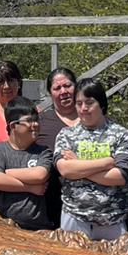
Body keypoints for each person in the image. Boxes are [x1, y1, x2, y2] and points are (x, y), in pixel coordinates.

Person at [53, 79, 128, 241]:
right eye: (79, 104)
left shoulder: (120, 134)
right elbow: (65, 170)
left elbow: (120, 177)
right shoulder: (66, 135)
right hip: (74, 218)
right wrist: (105, 163)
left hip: (112, 221)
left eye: (89, 103)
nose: (84, 108)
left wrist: (78, 166)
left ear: (102, 105)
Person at [0, 99, 53, 230]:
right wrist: (30, 188)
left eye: (36, 120)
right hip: (1, 226)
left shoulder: (43, 152)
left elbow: (39, 175)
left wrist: (7, 172)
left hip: (36, 228)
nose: (35, 124)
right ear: (13, 126)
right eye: (29, 120)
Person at [36, 67, 79, 227]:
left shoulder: (93, 118)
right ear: (50, 93)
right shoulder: (40, 122)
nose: (63, 91)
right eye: (57, 88)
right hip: (52, 205)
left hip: (94, 206)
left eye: (68, 86)